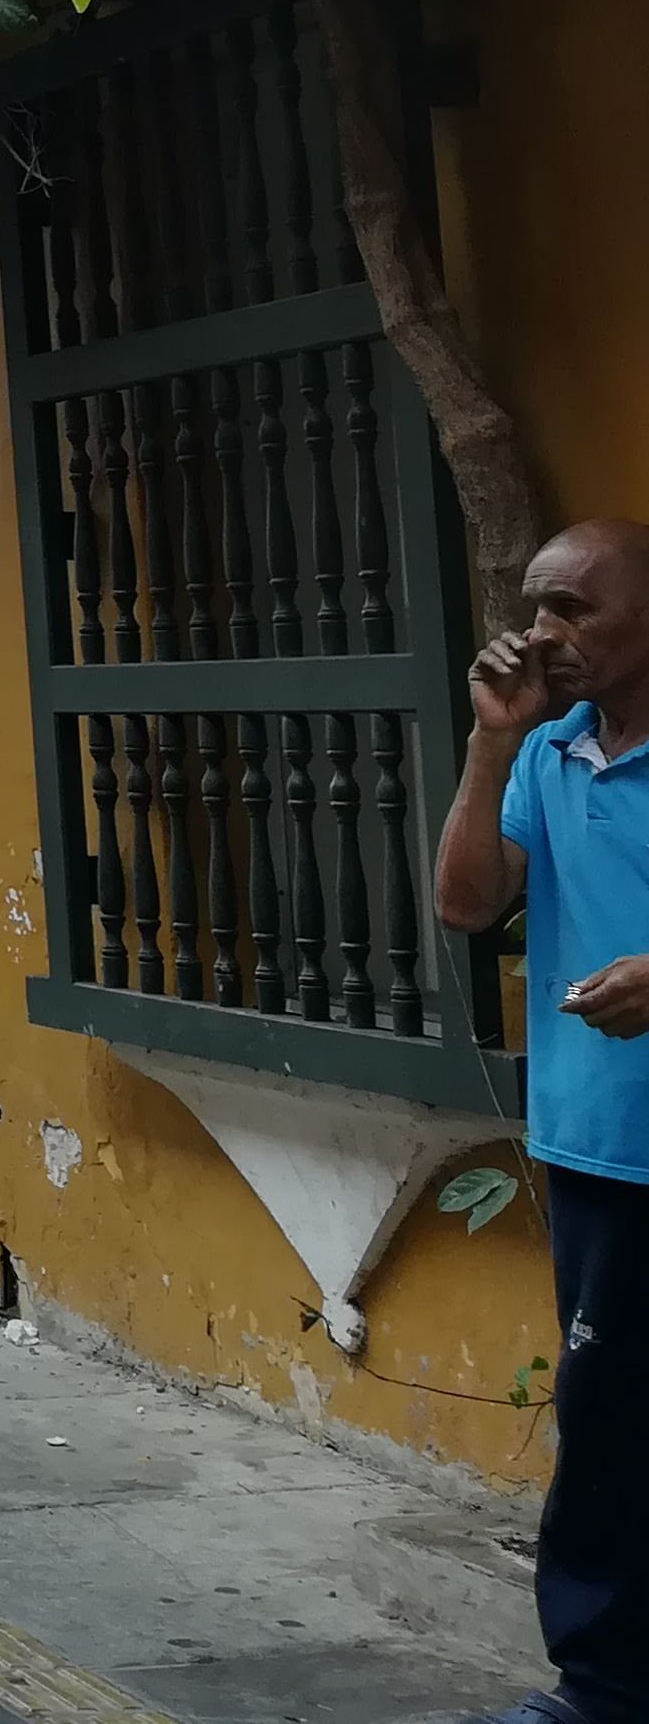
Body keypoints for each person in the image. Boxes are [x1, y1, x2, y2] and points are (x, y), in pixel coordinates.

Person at [437, 516, 649, 1724]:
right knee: (609, 1435)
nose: (544, 633)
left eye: (575, 610)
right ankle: (602, 1690)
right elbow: (464, 902)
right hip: (593, 1153)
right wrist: (487, 742)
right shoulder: (547, 750)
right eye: (535, 606)